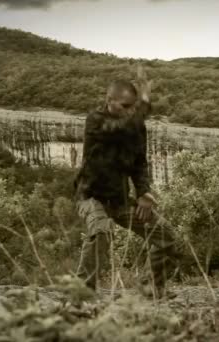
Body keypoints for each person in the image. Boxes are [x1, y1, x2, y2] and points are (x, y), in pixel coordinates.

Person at [73, 66, 177, 299]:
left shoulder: (136, 125)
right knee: (101, 232)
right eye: (125, 106)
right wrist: (144, 103)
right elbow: (117, 129)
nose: (129, 111)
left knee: (165, 235)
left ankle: (151, 287)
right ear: (108, 100)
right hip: (91, 196)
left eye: (132, 106)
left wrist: (144, 192)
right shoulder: (96, 120)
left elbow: (139, 162)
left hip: (119, 199)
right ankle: (82, 294)